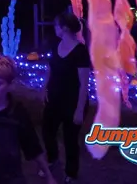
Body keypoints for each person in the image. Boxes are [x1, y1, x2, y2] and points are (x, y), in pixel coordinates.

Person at [0, 54, 56, 184]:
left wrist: (49, 176)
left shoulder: (18, 113)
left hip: (10, 176)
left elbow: (32, 146)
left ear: (10, 85)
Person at [41, 13, 91, 183]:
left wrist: (79, 110)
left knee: (70, 139)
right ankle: (52, 159)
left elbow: (84, 83)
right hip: (54, 99)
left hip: (72, 101)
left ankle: (71, 172)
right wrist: (45, 88)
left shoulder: (80, 51)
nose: (54, 28)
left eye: (56, 25)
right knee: (47, 131)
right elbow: (50, 68)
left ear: (65, 28)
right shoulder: (56, 44)